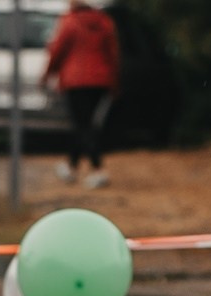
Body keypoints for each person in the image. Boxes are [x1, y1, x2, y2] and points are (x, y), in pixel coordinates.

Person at [44, 0, 120, 190]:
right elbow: (113, 53)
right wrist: (114, 81)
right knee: (85, 124)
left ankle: (98, 170)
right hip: (100, 80)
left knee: (82, 125)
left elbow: (58, 51)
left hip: (75, 80)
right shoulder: (104, 22)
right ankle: (71, 167)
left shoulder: (70, 22)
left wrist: (47, 74)